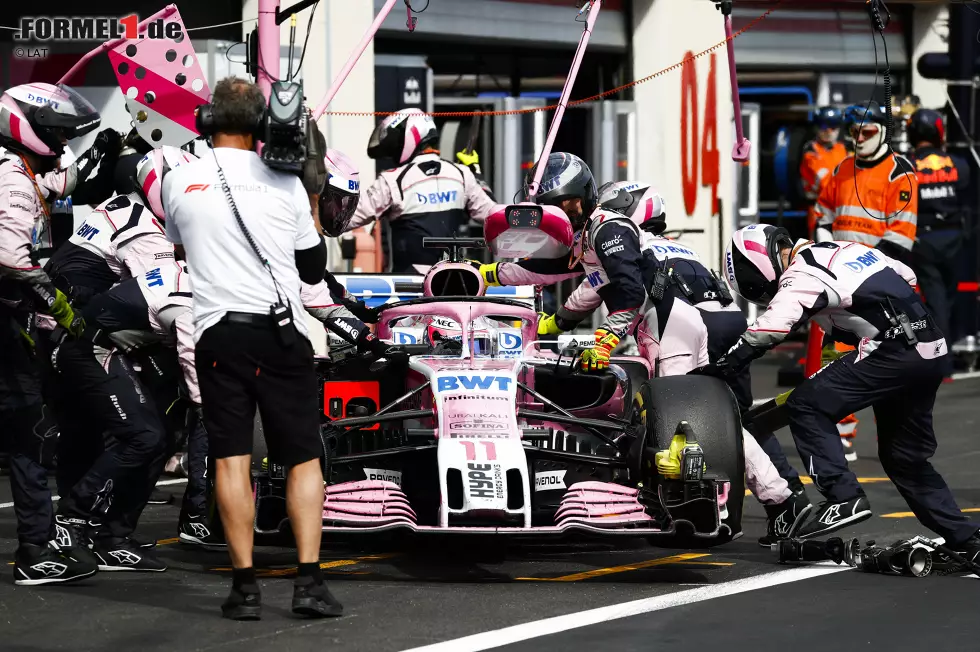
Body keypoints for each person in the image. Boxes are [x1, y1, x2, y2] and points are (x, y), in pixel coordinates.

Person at [478, 157, 810, 542]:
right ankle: (776, 502)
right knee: (719, 417)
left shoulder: (608, 227)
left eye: (563, 202)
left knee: (688, 419)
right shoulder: (597, 236)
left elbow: (630, 292)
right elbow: (547, 270)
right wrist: (487, 274)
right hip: (701, 317)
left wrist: (604, 340)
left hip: (675, 321)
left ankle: (774, 504)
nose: (559, 211)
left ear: (581, 197)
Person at [163, 77, 341, 620]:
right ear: (263, 126)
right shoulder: (284, 183)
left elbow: (179, 243)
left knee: (231, 459)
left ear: (205, 123)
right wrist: (308, 193)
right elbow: (313, 268)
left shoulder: (178, 181)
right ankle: (308, 583)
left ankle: (244, 589)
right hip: (279, 333)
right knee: (303, 458)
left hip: (216, 332)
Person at [708, 224, 980, 557]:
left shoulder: (801, 272)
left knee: (807, 404)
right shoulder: (842, 248)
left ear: (757, 264)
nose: (760, 292)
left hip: (895, 350)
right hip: (930, 347)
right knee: (904, 459)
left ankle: (843, 497)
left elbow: (771, 328)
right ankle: (966, 538)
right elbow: (906, 275)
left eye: (752, 285)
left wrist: (723, 366)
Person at [0, 81, 116, 585]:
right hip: (6, 327)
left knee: (27, 433)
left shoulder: (19, 170)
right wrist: (61, 307)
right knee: (28, 435)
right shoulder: (12, 178)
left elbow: (60, 185)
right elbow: (9, 257)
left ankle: (39, 541)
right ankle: (35, 551)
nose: (64, 144)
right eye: (58, 134)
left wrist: (110, 151)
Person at [52, 261, 197, 571]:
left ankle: (114, 537)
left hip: (121, 348)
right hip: (90, 348)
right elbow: (192, 359)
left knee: (161, 438)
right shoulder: (185, 300)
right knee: (144, 436)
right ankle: (71, 518)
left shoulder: (191, 273)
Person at [812, 103, 920, 460]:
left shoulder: (899, 173)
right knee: (836, 359)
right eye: (854, 132)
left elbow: (900, 239)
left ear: (884, 131)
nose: (859, 139)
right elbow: (823, 214)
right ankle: (841, 436)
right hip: (838, 282)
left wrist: (867, 271)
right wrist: (825, 248)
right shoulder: (842, 168)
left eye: (867, 132)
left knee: (889, 367)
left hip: (881, 285)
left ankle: (903, 440)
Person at [346, 108, 496, 273]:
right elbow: (495, 216)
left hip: (407, 286)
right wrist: (476, 173)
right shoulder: (462, 174)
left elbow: (345, 219)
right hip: (453, 280)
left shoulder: (393, 180)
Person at [906, 108, 970, 367]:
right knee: (952, 298)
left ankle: (941, 363)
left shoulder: (907, 164)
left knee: (936, 302)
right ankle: (949, 353)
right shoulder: (958, 164)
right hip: (955, 238)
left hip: (925, 240)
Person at [800, 106, 848, 237]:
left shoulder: (842, 149)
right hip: (819, 210)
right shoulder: (811, 151)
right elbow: (824, 181)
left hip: (842, 209)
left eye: (833, 126)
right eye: (823, 126)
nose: (828, 131)